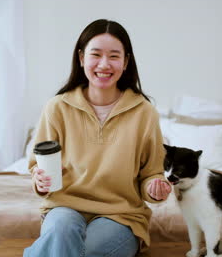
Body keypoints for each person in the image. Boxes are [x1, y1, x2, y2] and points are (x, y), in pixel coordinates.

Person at [23, 19, 172, 257]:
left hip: (120, 215)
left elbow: (151, 174)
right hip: (64, 207)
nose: (104, 64)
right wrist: (40, 180)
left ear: (126, 62)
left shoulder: (144, 112)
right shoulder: (57, 108)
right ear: (81, 58)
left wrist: (155, 189)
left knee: (88, 250)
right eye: (96, 54)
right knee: (61, 231)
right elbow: (36, 166)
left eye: (114, 56)